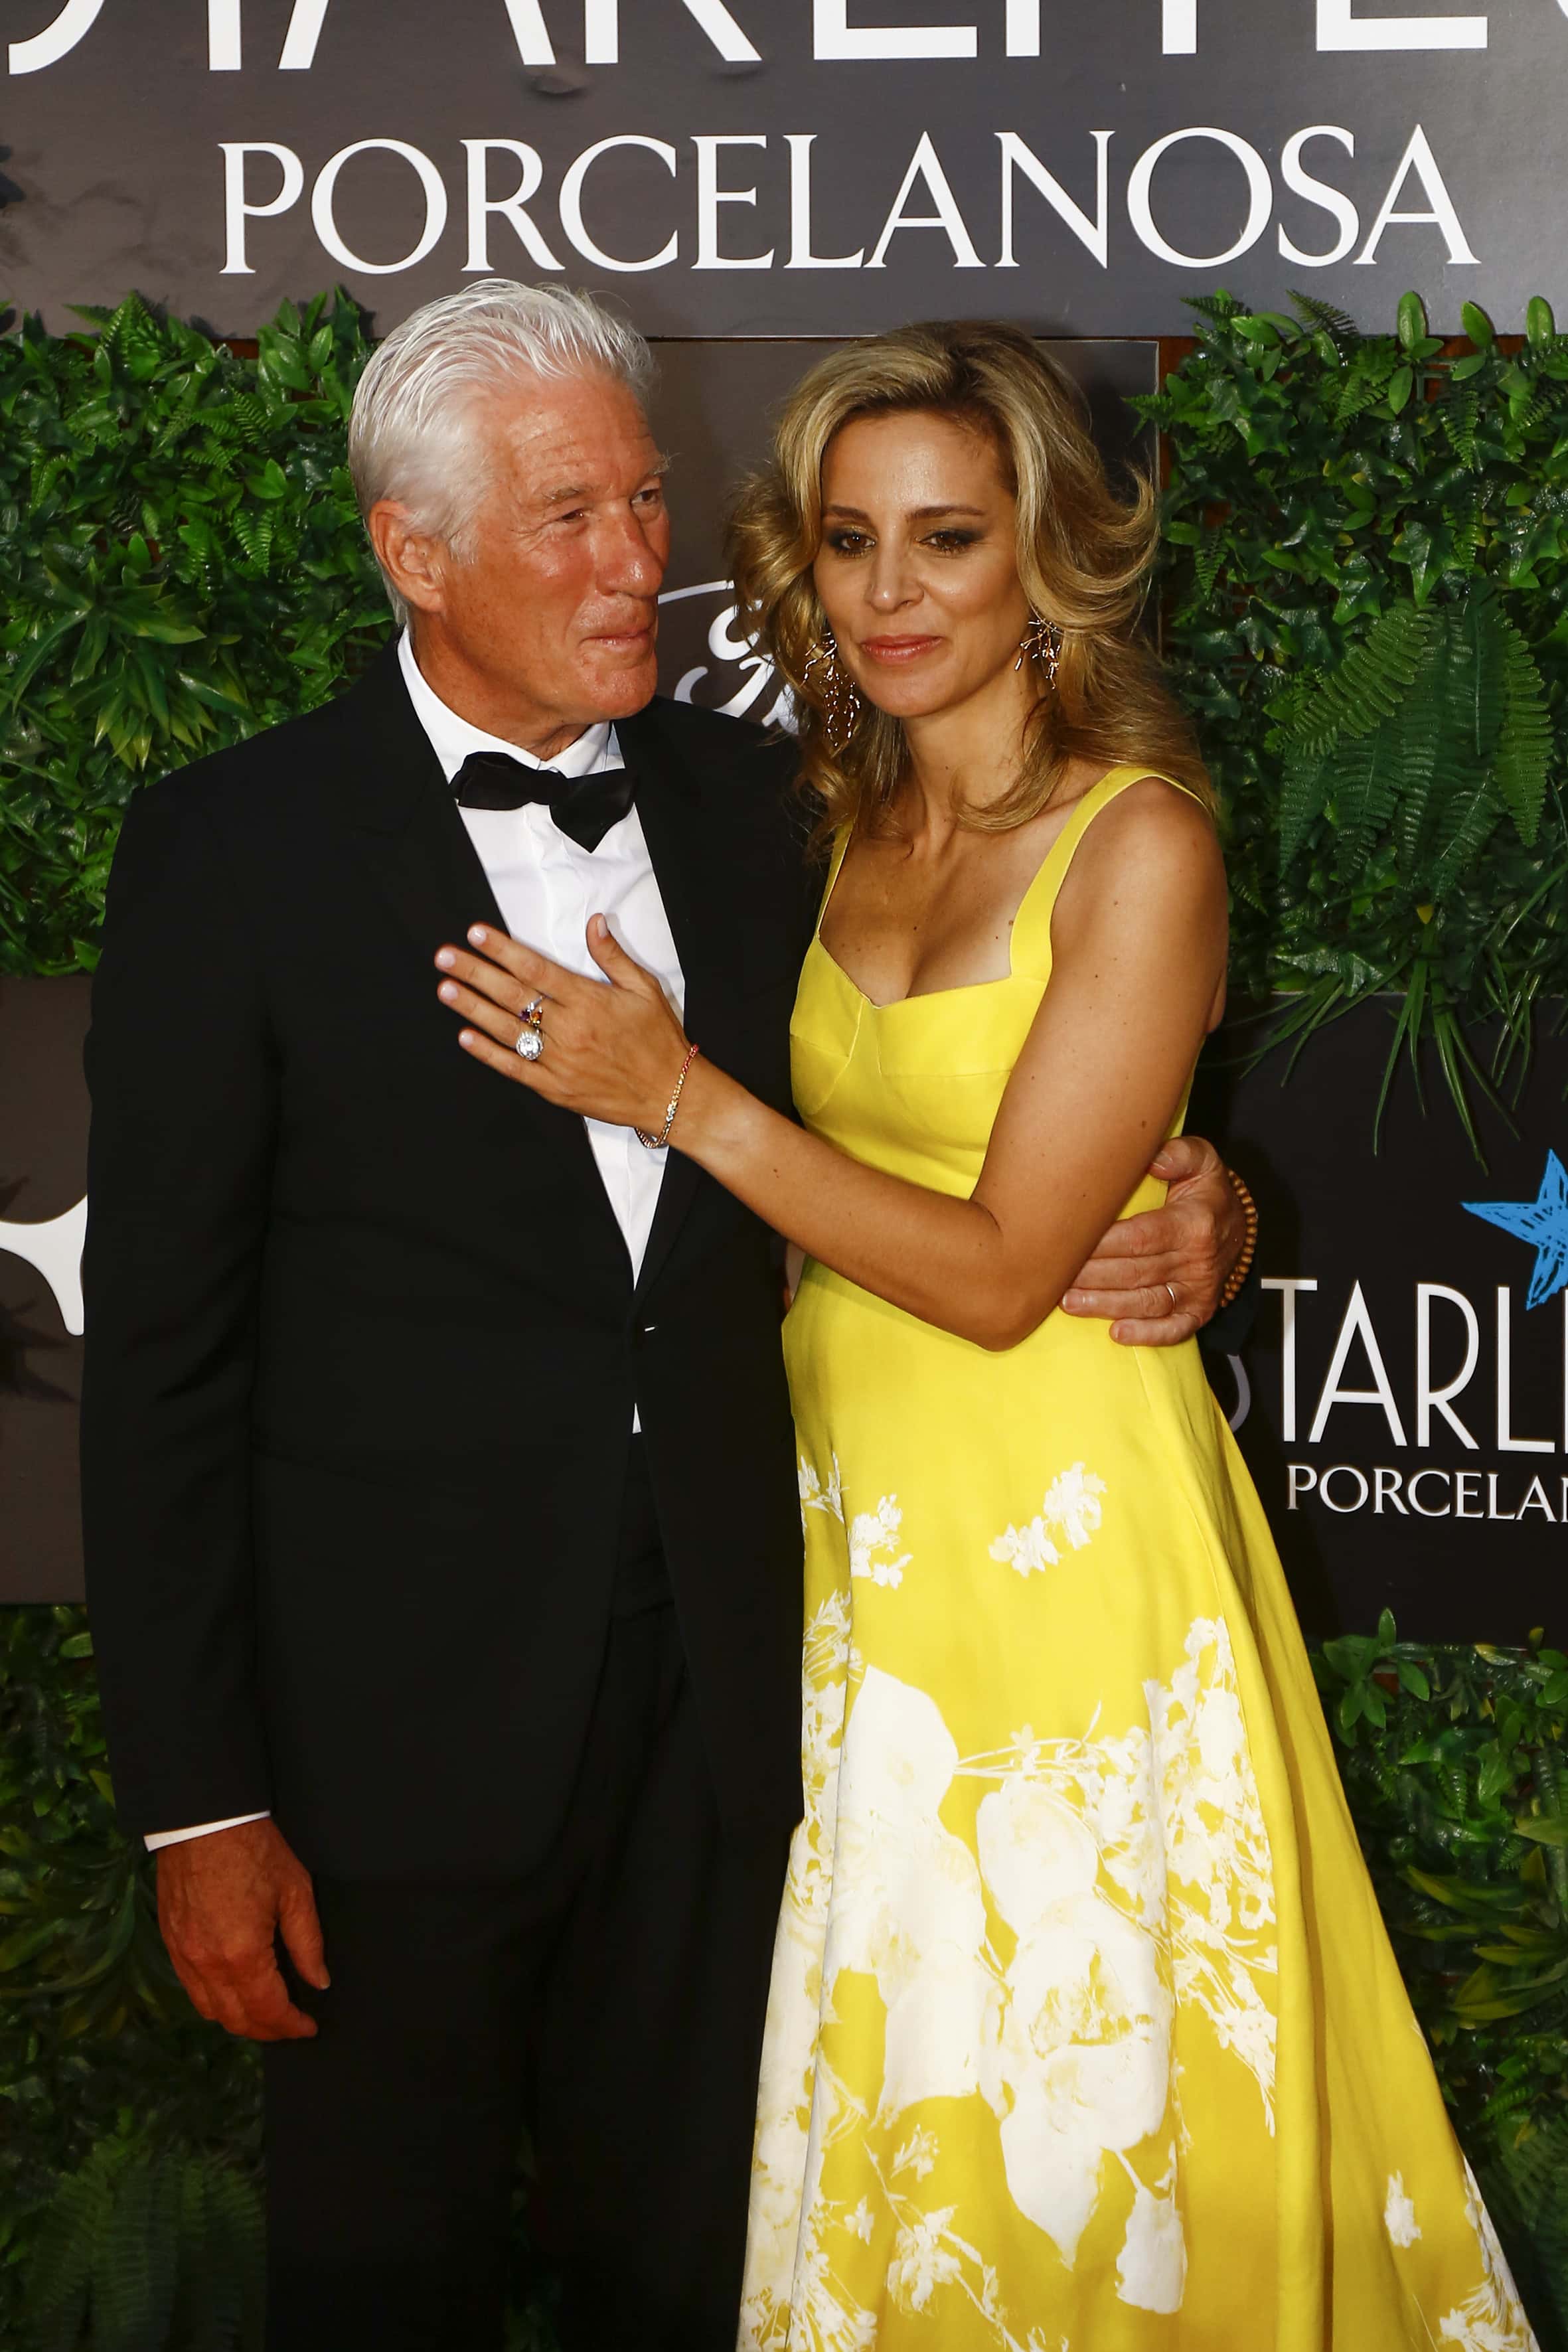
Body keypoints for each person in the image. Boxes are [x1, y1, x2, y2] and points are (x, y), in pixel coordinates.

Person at [78, 285, 1245, 2352]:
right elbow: (160, 1361)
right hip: (390, 1748)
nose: (638, 560)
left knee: (709, 2273)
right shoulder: (234, 849)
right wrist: (202, 1799)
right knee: (380, 2281)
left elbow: (959, 1100)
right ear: (413, 551)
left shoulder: (776, 808)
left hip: (747, 1711)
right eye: (569, 520)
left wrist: (1203, 1201)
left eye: (642, 501)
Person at [437, 320, 1537, 2350]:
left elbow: (1004, 1266)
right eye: (849, 539)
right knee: (907, 2078)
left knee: (1070, 2083)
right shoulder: (814, 824)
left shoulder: (1140, 843)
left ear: (1047, 555)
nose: (889, 591)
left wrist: (683, 1098)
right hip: (840, 1542)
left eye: (946, 537)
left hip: (1060, 1551)